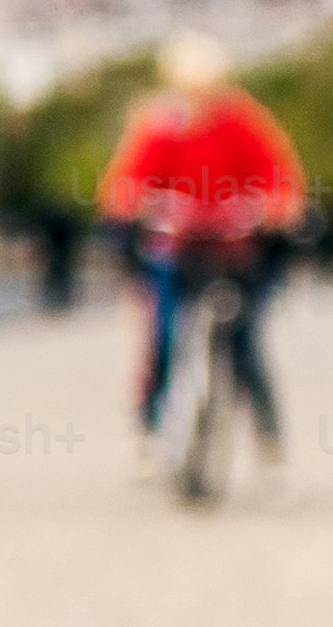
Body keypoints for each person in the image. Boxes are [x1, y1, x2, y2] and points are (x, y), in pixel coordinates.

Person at [92, 33, 306, 471]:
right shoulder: (162, 124)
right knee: (164, 337)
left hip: (233, 247)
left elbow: (277, 174)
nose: (198, 96)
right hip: (177, 247)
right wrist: (129, 205)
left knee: (244, 343)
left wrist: (277, 207)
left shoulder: (241, 121)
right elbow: (130, 179)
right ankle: (151, 429)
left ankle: (268, 438)